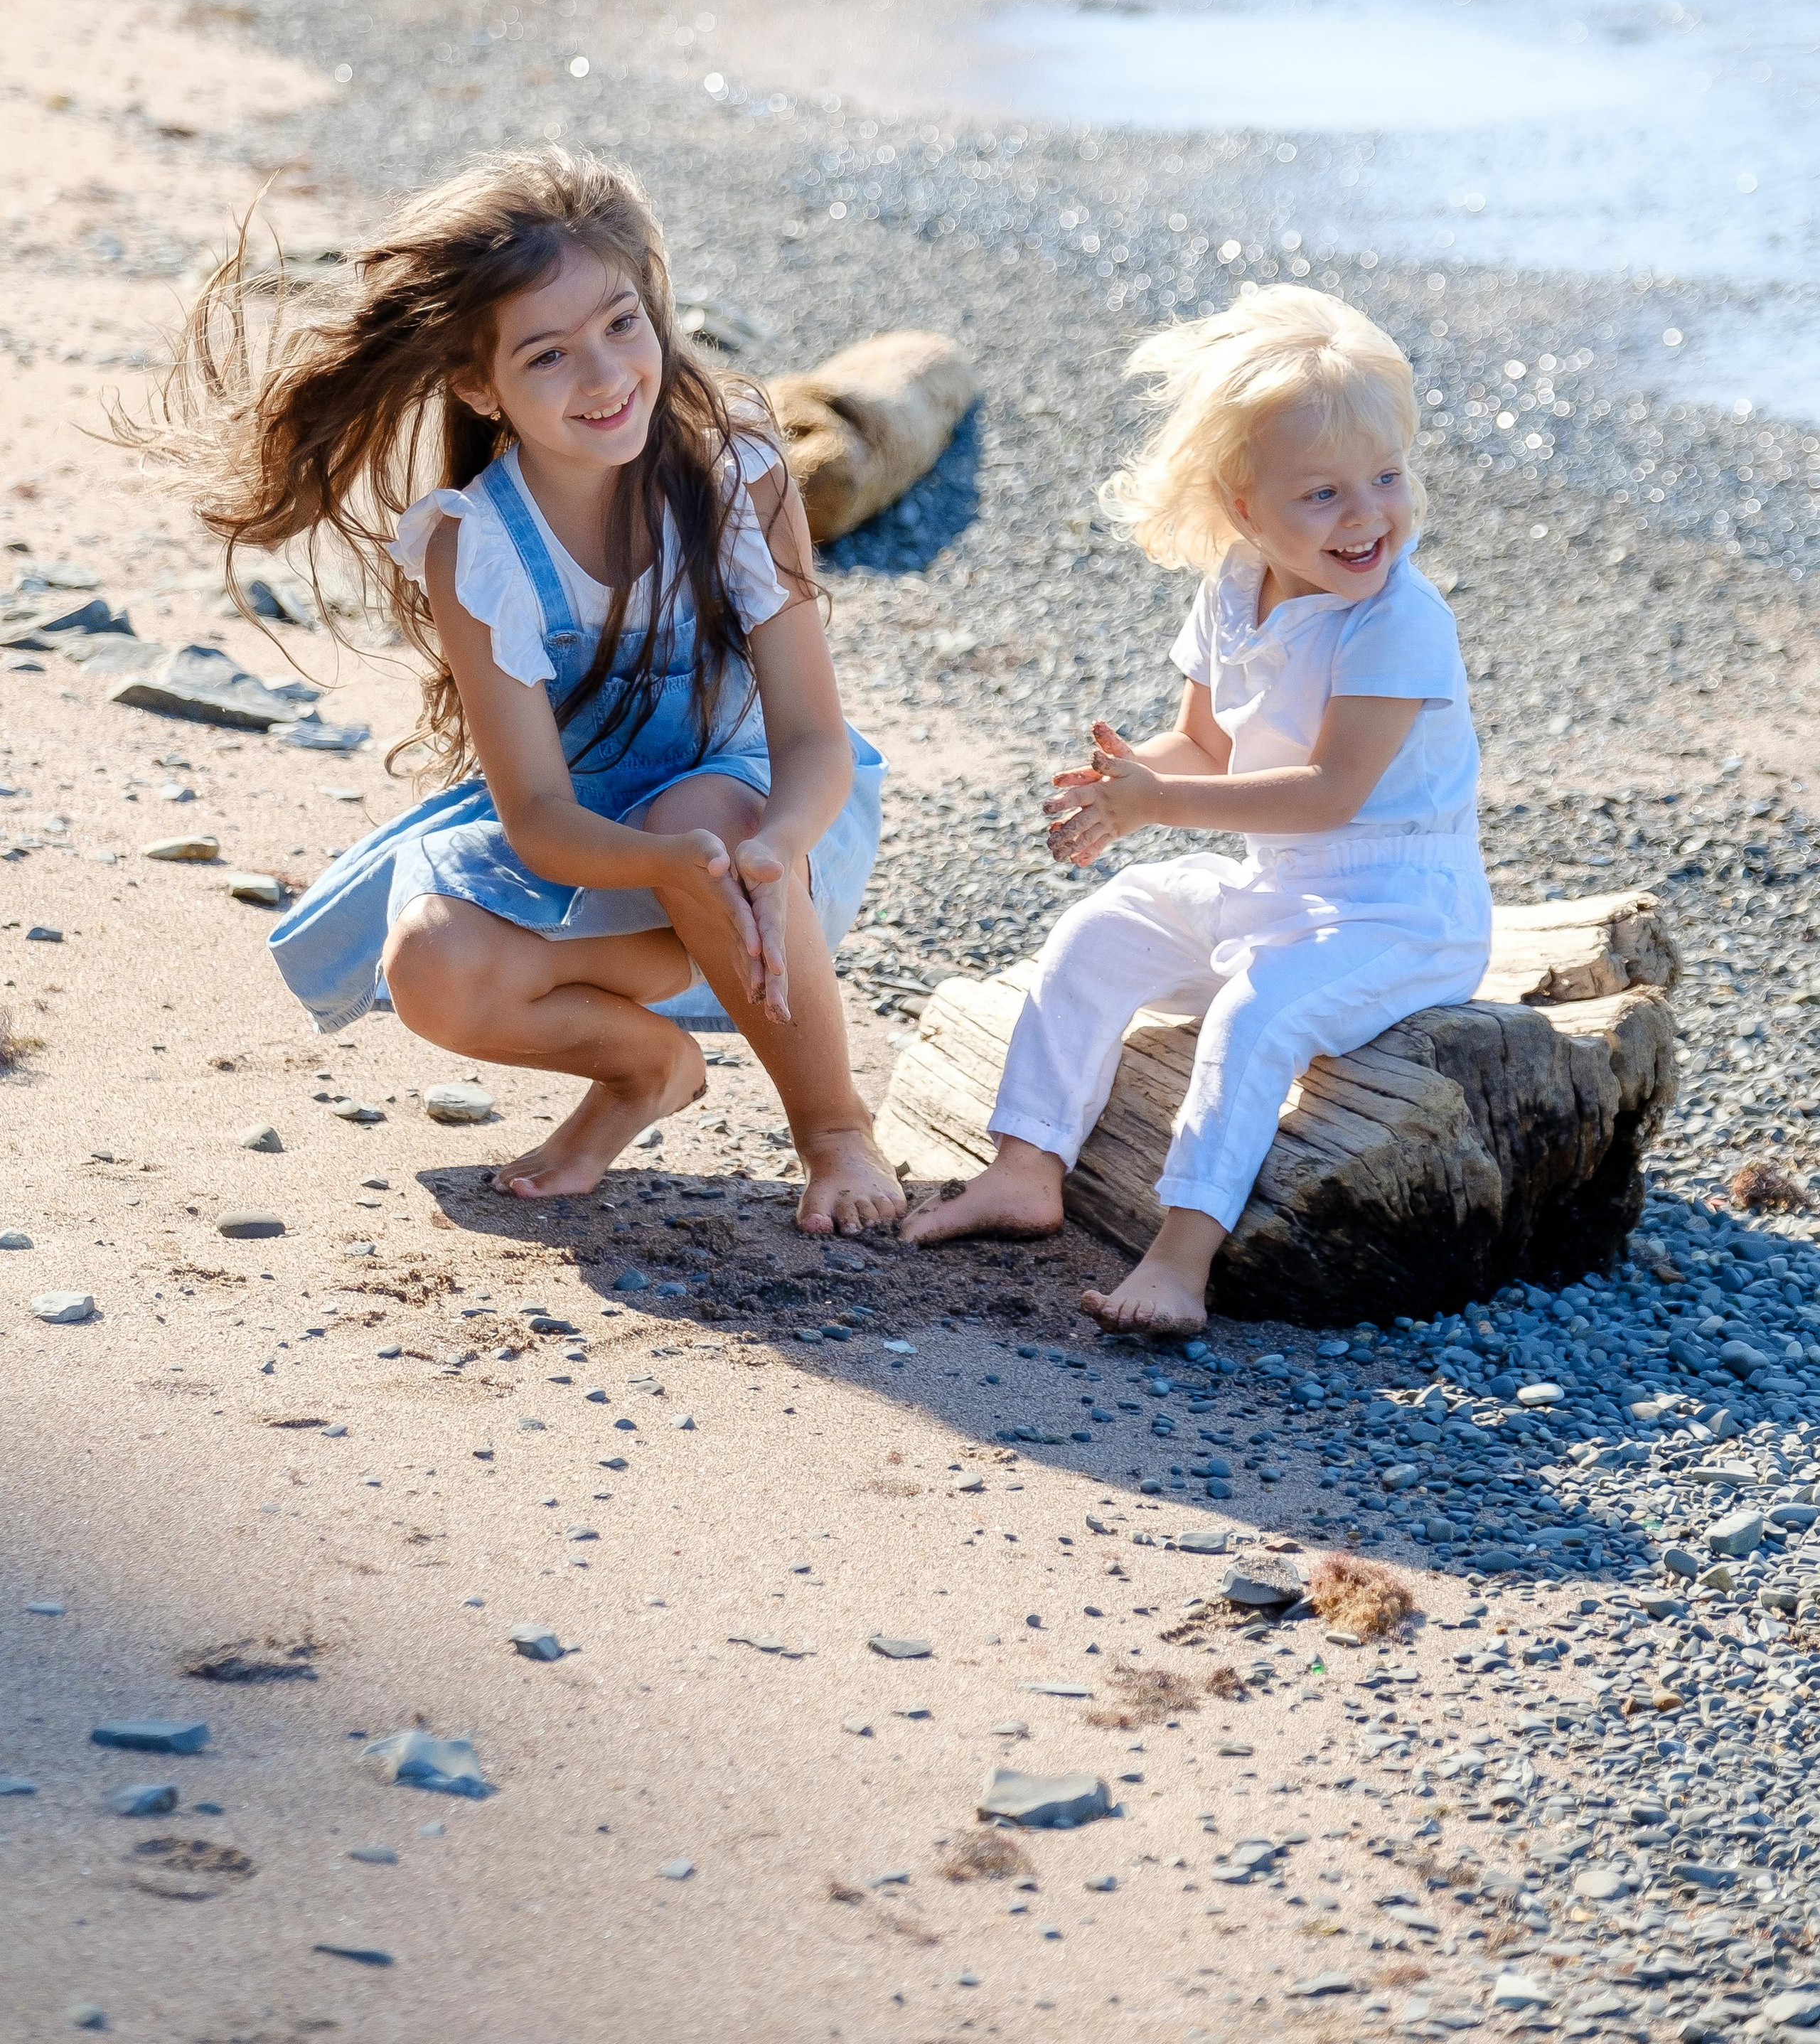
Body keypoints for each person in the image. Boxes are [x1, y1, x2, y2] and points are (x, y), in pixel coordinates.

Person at [149, 149, 901, 1232]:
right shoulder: (479, 545)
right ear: (476, 384)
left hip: (767, 842)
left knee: (703, 813)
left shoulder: (738, 477)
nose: (604, 376)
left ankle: (834, 1130)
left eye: (622, 325)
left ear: (653, 306)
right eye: (546, 354)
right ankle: (645, 1070)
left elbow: (814, 739)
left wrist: (777, 844)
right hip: (598, 856)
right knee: (434, 964)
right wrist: (663, 864)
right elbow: (540, 818)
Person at [901, 287, 1492, 1332]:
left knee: (1257, 1014)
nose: (1367, 515)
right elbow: (1206, 747)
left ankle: (1181, 1259)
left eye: (1387, 477)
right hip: (1277, 886)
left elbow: (1330, 792)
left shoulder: (1399, 621)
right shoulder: (1234, 585)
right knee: (1105, 925)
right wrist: (1129, 790)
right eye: (1323, 493)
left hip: (1401, 913)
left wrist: (1165, 798)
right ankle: (1027, 1165)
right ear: (1243, 506)